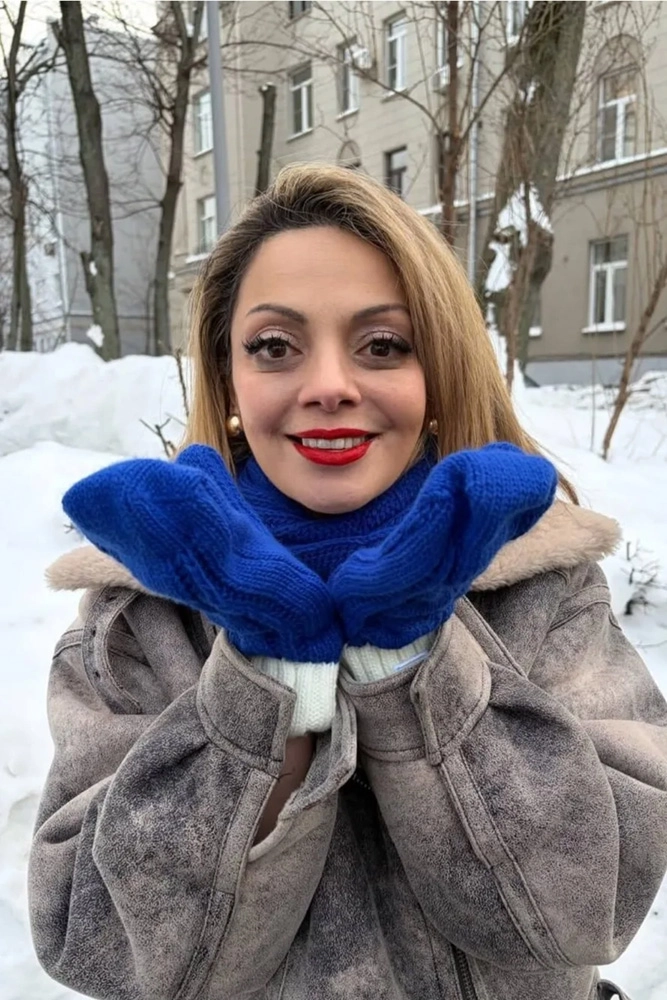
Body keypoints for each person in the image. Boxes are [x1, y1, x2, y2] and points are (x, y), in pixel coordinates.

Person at [29, 163, 666, 1000]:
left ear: (435, 374)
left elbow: (585, 910)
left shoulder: (544, 591)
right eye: (274, 347)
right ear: (229, 379)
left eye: (382, 345)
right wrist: (272, 669)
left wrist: (409, 654)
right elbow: (107, 947)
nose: (329, 385)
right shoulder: (138, 620)